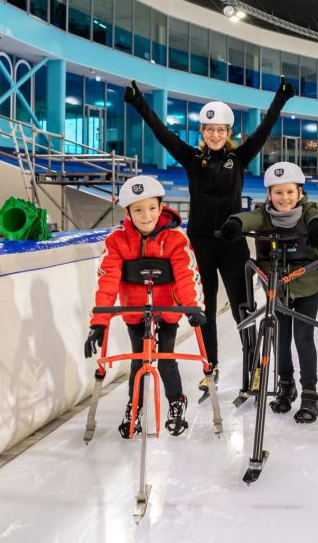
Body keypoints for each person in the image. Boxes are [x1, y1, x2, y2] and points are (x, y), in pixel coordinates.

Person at [125, 78, 293, 397]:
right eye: (209, 129)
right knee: (204, 308)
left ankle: (253, 365)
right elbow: (162, 133)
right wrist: (138, 103)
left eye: (221, 130)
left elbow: (263, 129)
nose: (215, 134)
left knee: (243, 307)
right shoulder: (192, 159)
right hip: (200, 243)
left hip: (233, 244)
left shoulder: (239, 159)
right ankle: (209, 367)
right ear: (202, 132)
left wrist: (279, 100)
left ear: (228, 133)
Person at [84, 176, 205, 438]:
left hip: (167, 308)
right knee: (139, 360)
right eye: (138, 210)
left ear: (161, 207)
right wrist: (99, 322)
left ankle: (176, 402)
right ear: (126, 212)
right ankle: (134, 407)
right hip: (135, 309)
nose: (146, 215)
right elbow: (108, 280)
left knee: (166, 360)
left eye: (151, 208)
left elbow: (186, 274)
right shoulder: (116, 241)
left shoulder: (175, 238)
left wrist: (193, 308)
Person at [219, 162, 318, 423]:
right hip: (277, 288)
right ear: (269, 194)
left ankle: (310, 395)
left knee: (303, 339)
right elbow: (252, 218)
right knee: (280, 339)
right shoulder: (264, 215)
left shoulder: (307, 212)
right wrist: (236, 221)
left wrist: (317, 227)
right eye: (278, 193)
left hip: (307, 286)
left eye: (290, 192)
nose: (285, 198)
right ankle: (285, 385)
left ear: (300, 192)